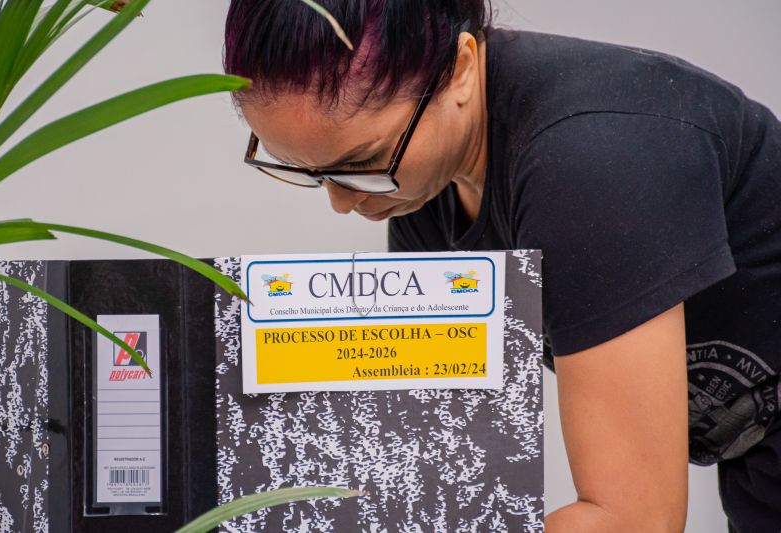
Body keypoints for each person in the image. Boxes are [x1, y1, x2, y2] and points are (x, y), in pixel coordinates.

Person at [224, 1, 781, 531]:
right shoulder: (423, 190)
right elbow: (437, 474)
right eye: (309, 171)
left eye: (364, 161)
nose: (342, 202)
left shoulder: (591, 159)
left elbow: (634, 520)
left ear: (461, 68)